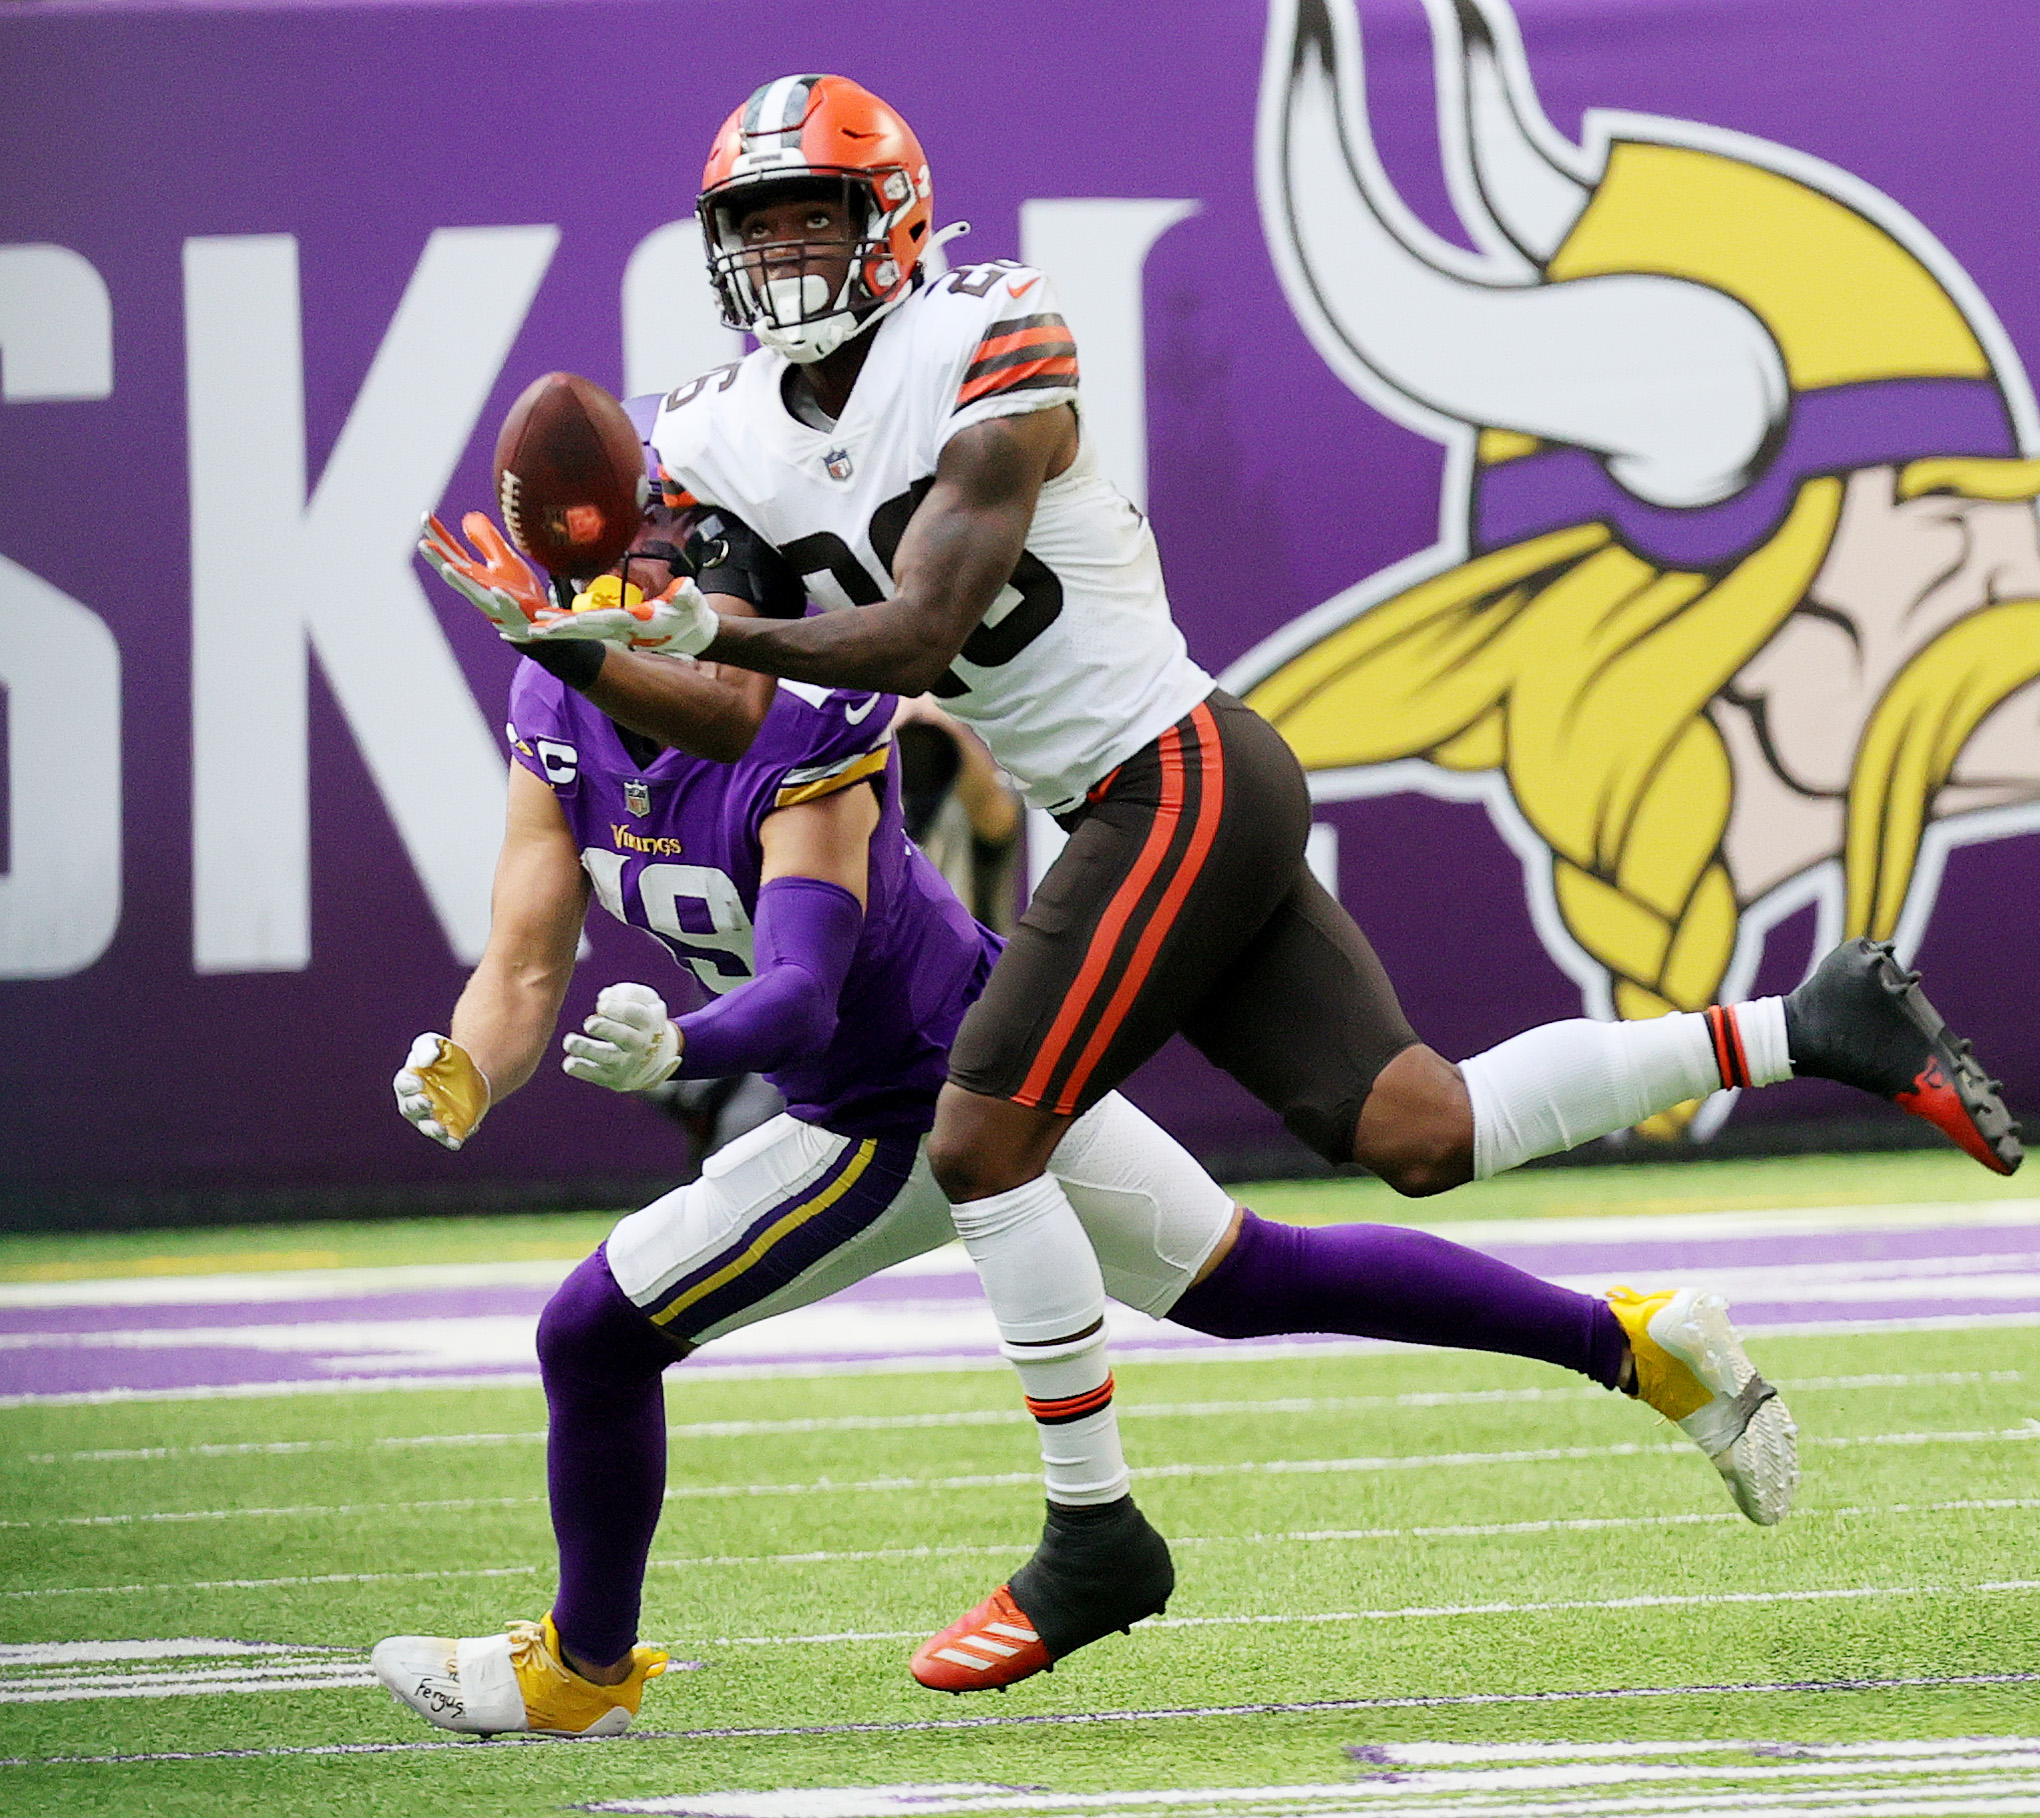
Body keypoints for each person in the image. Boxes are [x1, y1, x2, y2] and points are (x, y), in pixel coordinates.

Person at [483, 72, 2019, 1690]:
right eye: (757, 222)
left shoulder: (993, 332)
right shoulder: (714, 430)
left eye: (817, 212)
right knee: (1418, 1130)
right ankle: (1810, 1020)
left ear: (896, 220)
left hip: (1178, 774)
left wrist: (705, 622)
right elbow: (716, 696)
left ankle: (1097, 1535)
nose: (787, 247)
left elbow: (921, 633)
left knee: (981, 1129)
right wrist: (579, 638)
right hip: (1129, 804)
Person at [376, 508, 1806, 1734]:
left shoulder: (806, 729)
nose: (638, 637)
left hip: (909, 1106)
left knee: (594, 1329)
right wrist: (469, 1062)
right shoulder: (557, 712)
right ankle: (1635, 1342)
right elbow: (522, 961)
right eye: (617, 611)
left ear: (736, 624)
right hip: (991, 1070)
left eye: (678, 609)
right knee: (1252, 1277)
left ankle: (585, 1665)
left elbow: (806, 993)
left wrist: (687, 1042)